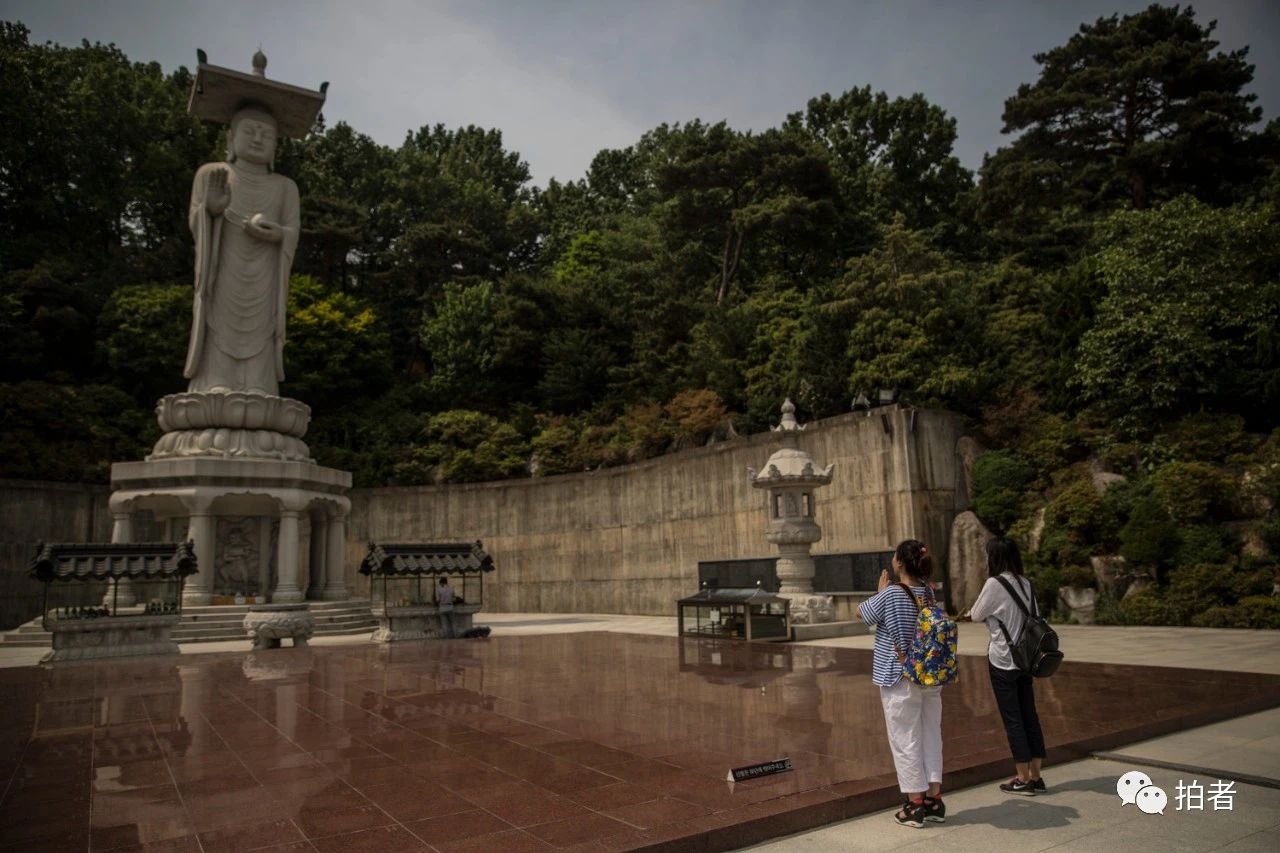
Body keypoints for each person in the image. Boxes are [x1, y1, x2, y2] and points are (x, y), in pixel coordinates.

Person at [185, 104, 300, 396]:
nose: (258, 139)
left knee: (263, 326)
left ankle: (259, 385)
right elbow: (195, 222)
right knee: (219, 318)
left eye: (268, 135)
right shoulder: (213, 174)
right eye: (250, 131)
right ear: (230, 139)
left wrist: (279, 235)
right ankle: (214, 382)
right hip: (224, 269)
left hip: (265, 275)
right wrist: (210, 210)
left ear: (276, 146)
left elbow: (292, 232)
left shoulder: (286, 187)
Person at [856, 539, 945, 828]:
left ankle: (914, 804)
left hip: (899, 676)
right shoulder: (929, 594)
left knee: (905, 738)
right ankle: (934, 799)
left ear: (898, 563)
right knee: (931, 733)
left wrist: (879, 592)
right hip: (930, 676)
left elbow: (861, 613)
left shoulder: (892, 592)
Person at [967, 536, 1047, 795]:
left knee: (1013, 718)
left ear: (995, 558)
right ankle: (1036, 775)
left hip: (1003, 659)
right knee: (1029, 715)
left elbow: (977, 614)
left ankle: (1022, 778)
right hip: (1026, 659)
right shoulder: (1026, 583)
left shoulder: (994, 583)